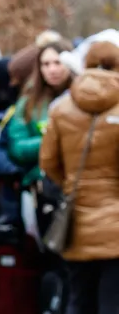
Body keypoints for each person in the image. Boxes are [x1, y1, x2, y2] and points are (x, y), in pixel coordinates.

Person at [39, 41, 119, 314]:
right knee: (112, 301)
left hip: (76, 222)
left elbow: (47, 162)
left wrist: (71, 184)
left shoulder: (60, 109)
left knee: (78, 298)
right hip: (116, 225)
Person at [8, 40, 73, 186]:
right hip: (41, 181)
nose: (52, 69)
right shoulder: (28, 102)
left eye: (58, 62)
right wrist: (51, 140)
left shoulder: (84, 98)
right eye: (46, 64)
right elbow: (17, 148)